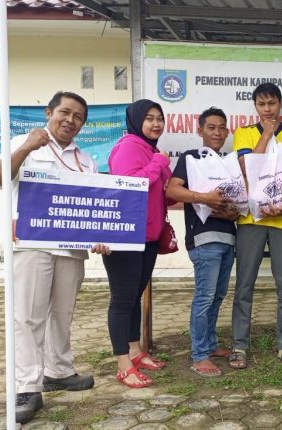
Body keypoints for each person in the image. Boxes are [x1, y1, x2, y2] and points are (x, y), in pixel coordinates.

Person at [0, 91, 110, 423]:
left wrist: (102, 236)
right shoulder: (22, 142)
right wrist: (28, 146)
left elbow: (91, 206)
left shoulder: (86, 161)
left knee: (62, 313)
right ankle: (27, 386)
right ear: (48, 113)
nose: (70, 120)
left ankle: (59, 371)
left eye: (78, 117)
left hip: (71, 249)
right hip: (31, 244)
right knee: (28, 317)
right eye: (64, 112)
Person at [230, 83, 282, 369]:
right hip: (250, 219)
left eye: (272, 103)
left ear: (280, 104)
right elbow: (246, 167)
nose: (267, 109)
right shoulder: (243, 133)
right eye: (262, 104)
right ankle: (239, 346)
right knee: (244, 284)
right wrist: (266, 134)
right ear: (255, 106)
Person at [103, 99, 174, 388]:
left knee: (134, 296)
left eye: (159, 118)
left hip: (148, 237)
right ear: (136, 120)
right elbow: (129, 186)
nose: (156, 123)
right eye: (149, 118)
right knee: (122, 300)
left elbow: (161, 192)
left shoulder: (150, 149)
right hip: (126, 236)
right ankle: (123, 364)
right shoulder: (129, 146)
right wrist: (159, 163)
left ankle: (134, 350)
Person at [166, 107, 239, 377]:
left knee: (218, 296)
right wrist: (203, 198)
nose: (217, 132)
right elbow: (172, 189)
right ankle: (199, 356)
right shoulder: (191, 158)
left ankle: (209, 344)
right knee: (205, 297)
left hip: (228, 237)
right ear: (200, 131)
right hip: (203, 239)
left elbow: (237, 202)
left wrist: (233, 212)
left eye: (222, 127)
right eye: (211, 127)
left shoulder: (229, 162)